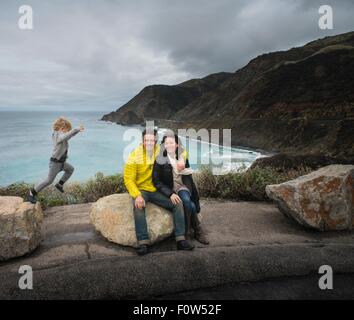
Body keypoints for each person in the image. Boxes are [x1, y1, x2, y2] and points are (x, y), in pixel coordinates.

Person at [123, 128, 194, 255]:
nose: (149, 143)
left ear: (156, 141)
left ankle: (180, 240)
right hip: (141, 190)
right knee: (138, 207)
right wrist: (137, 195)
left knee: (178, 203)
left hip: (157, 189)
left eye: (152, 140)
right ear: (142, 140)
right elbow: (128, 179)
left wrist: (183, 159)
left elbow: (180, 149)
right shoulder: (134, 155)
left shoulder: (160, 150)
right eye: (146, 140)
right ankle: (143, 242)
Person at [153, 131, 209, 244]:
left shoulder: (182, 155)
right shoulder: (160, 159)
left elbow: (188, 175)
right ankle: (196, 231)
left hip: (182, 186)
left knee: (187, 200)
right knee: (191, 206)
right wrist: (169, 193)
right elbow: (157, 181)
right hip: (170, 189)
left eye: (172, 143)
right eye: (166, 143)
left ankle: (187, 232)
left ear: (177, 144)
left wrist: (183, 167)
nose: (169, 145)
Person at [28, 117, 84, 204]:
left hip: (62, 163)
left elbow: (69, 135)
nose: (68, 132)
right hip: (55, 163)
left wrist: (76, 132)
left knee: (70, 169)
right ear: (62, 128)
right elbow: (66, 135)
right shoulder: (57, 136)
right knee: (48, 181)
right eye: (67, 130)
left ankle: (59, 184)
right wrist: (76, 129)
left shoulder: (62, 136)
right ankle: (32, 193)